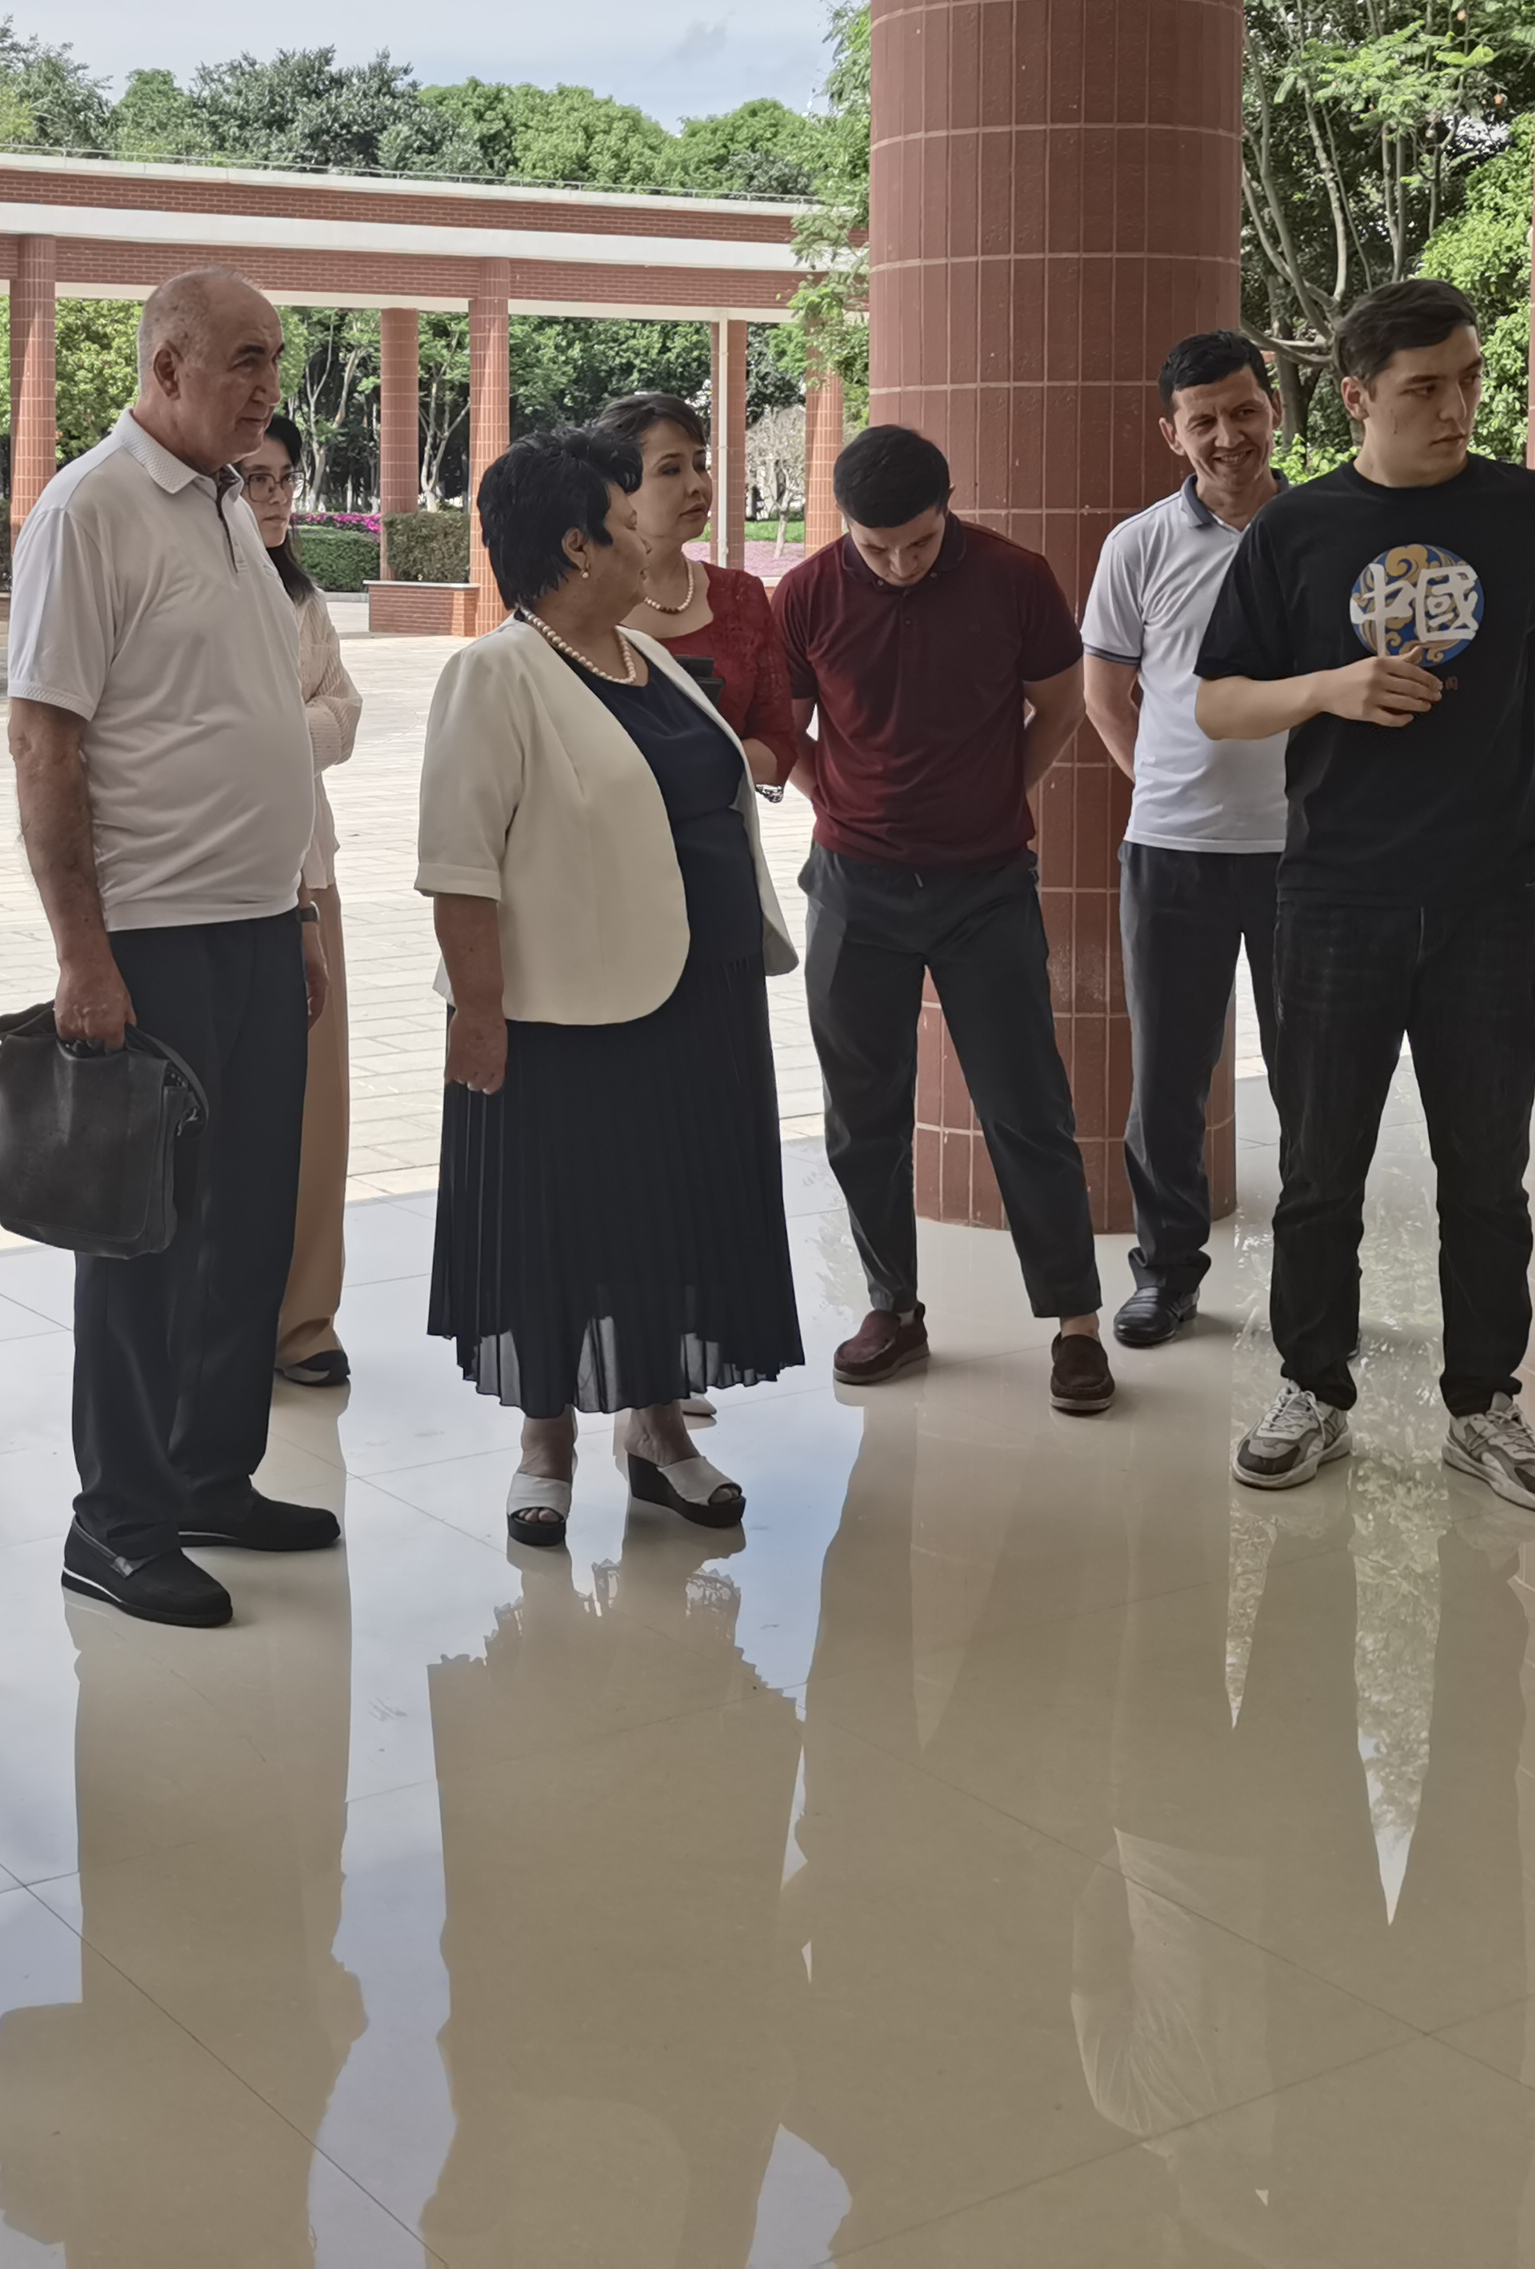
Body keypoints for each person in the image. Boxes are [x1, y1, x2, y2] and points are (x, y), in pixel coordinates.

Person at [1194, 276, 1535, 1515]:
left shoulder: (1532, 512)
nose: (1456, 408)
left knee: (1487, 1171)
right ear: (1355, 398)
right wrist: (1327, 689)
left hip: (1488, 895)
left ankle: (1483, 1403)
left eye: (1469, 380)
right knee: (1320, 1166)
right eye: (1424, 388)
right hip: (1334, 896)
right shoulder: (1298, 530)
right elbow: (1217, 700)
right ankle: (1312, 1389)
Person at [7, 266, 329, 1632]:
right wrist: (82, 956)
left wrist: (295, 907)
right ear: (165, 369)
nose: (267, 389)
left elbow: (251, 719)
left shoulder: (224, 506)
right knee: (144, 1243)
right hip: (151, 936)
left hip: (253, 927)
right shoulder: (89, 511)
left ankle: (208, 1475)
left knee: (245, 1228)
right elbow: (45, 743)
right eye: (243, 361)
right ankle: (119, 1521)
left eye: (275, 361)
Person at [421, 432, 803, 1547]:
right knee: (562, 1224)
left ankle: (658, 1432)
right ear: (577, 547)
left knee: (671, 1215)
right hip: (565, 1016)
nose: (649, 536)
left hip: (701, 996)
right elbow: (458, 865)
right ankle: (545, 1446)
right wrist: (478, 1015)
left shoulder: (649, 658)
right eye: (626, 520)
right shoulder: (495, 673)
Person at [778, 420, 1110, 1416]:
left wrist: (1003, 793)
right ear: (846, 527)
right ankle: (893, 1307)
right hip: (854, 889)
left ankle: (1075, 1323)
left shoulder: (1014, 578)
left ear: (948, 507)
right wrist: (834, 802)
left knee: (1027, 1107)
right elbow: (782, 727)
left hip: (985, 889)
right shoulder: (808, 592)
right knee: (862, 1116)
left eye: (918, 543)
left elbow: (1061, 704)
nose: (898, 564)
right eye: (875, 548)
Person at [1078, 331, 1290, 1352]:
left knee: (1315, 1080)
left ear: (1274, 410)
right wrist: (1160, 785)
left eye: (1243, 412)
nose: (1227, 437)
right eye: (1202, 421)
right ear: (1172, 434)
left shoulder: (1322, 534)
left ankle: (1314, 1281)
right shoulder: (1138, 546)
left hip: (1305, 857)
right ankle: (1165, 1275)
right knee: (1167, 1082)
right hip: (1172, 857)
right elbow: (1103, 691)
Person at [244, 411, 368, 1390]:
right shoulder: (191, 590)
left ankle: (303, 1321)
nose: (275, 496)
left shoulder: (299, 599)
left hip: (307, 870)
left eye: (283, 477)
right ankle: (229, 1323)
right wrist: (289, 726)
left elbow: (344, 712)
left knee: (317, 1110)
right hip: (213, 880)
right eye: (254, 478)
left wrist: (275, 730)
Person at [598, 389, 802, 785]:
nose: (697, 485)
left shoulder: (741, 595)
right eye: (670, 470)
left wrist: (692, 760)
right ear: (617, 489)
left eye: (700, 464)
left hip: (718, 822)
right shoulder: (578, 602)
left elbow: (778, 749)